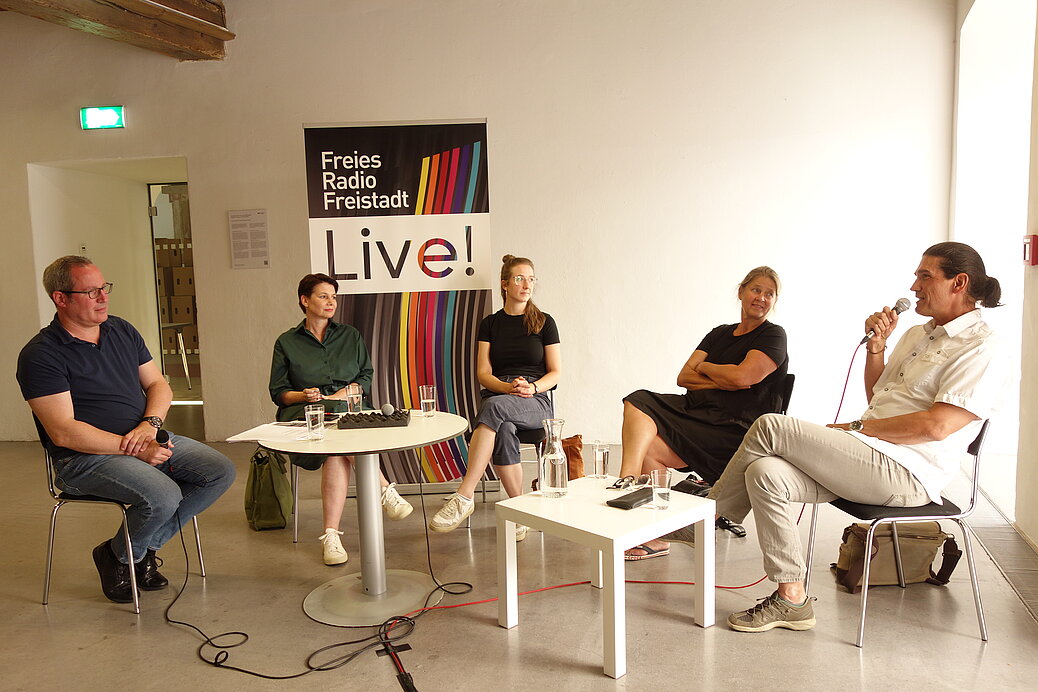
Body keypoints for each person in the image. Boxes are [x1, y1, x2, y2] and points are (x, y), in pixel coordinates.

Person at [662, 242, 1003, 634]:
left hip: (907, 472)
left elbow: (936, 426)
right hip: (868, 456)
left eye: (924, 275)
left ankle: (708, 516)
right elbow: (878, 396)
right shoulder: (916, 335)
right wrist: (877, 348)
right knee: (764, 472)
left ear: (959, 282)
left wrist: (858, 428)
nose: (913, 285)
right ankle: (791, 597)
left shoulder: (982, 346)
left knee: (772, 425)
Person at [16, 256, 236, 604]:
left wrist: (149, 426)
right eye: (91, 292)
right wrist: (133, 447)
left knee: (219, 471)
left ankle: (124, 553)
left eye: (104, 288)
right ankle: (129, 558)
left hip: (141, 436)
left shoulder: (121, 330)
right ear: (61, 298)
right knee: (163, 495)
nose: (103, 297)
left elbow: (159, 386)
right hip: (84, 459)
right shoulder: (41, 355)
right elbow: (64, 433)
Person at [619, 267, 788, 560]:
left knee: (647, 421)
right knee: (639, 402)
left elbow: (742, 378)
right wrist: (725, 378)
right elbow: (684, 376)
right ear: (741, 292)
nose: (761, 298)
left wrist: (707, 368)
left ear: (774, 301)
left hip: (736, 430)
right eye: (756, 290)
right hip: (698, 414)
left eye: (769, 294)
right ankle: (635, 498)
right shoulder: (719, 333)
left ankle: (624, 500)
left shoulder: (773, 335)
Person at [269, 273, 413, 566]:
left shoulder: (350, 335)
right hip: (308, 415)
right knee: (338, 433)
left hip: (350, 411)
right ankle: (385, 490)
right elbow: (279, 392)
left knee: (338, 446)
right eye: (323, 296)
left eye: (334, 296)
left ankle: (331, 535)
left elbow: (366, 375)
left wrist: (352, 389)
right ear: (305, 300)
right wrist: (305, 395)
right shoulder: (286, 342)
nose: (331, 302)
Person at [428, 255, 561, 540]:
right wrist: (508, 387)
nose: (527, 284)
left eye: (531, 279)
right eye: (519, 278)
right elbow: (483, 373)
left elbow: (556, 372)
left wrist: (532, 388)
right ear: (504, 284)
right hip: (501, 394)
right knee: (504, 428)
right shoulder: (490, 324)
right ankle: (520, 511)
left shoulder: (545, 322)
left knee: (493, 409)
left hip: (536, 401)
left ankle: (464, 496)